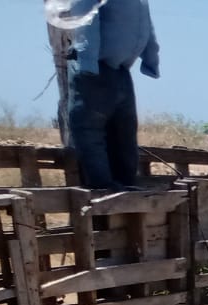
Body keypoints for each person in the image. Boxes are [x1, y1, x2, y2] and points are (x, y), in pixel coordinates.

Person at [49, 0, 160, 191]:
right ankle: (115, 186)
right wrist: (151, 60)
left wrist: (87, 64)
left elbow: (88, 19)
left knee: (102, 132)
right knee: (110, 132)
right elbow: (144, 25)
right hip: (112, 69)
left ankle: (112, 186)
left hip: (106, 70)